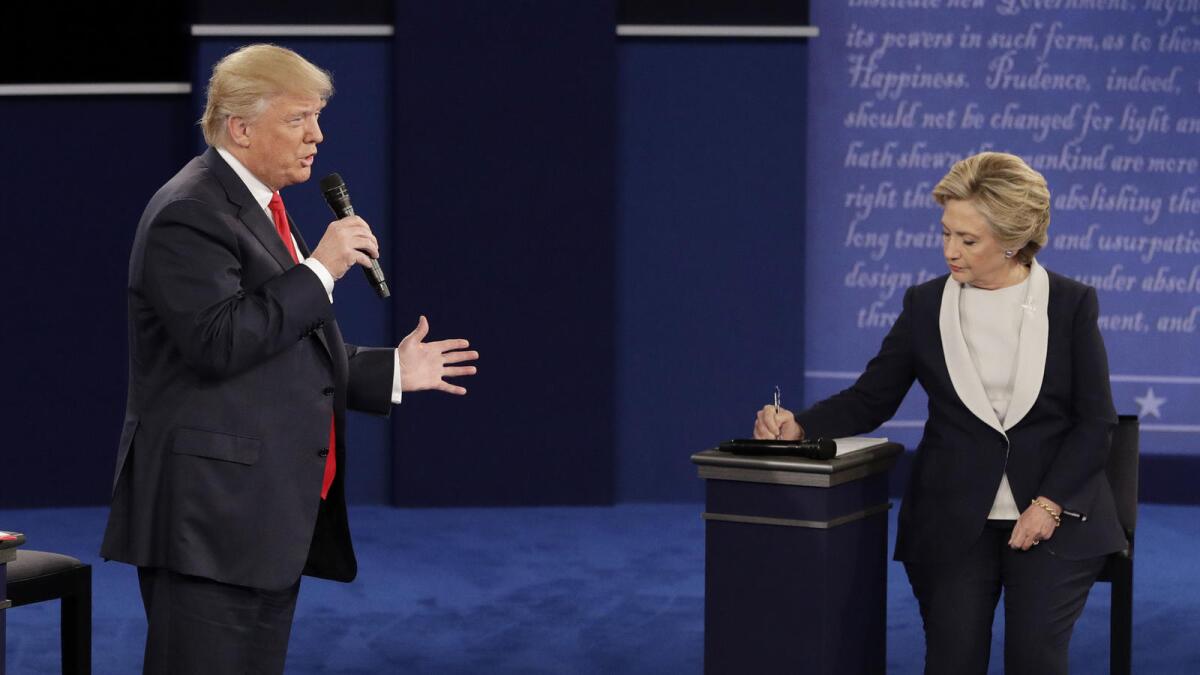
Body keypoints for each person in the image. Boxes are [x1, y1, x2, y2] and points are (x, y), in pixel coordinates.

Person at [99, 44, 478, 674]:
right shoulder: (189, 212)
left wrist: (389, 373)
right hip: (208, 521)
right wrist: (321, 269)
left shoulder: (259, 206)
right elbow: (220, 342)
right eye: (298, 119)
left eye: (318, 117)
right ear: (241, 128)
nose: (318, 136)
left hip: (258, 519)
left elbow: (280, 345)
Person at [754, 152, 1126, 674]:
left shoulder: (1071, 304)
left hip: (1054, 516)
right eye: (945, 233)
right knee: (951, 662)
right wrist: (801, 425)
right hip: (952, 519)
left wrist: (1049, 505)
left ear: (1013, 240)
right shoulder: (925, 305)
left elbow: (1096, 423)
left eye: (968, 240)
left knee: (1035, 661)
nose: (950, 250)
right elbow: (871, 398)